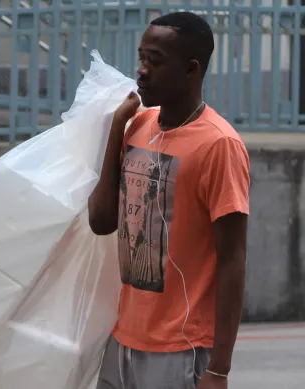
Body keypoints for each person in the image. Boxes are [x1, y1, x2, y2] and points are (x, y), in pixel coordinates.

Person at [89, 11, 249, 389]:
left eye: (155, 62)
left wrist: (220, 369)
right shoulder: (138, 125)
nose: (142, 70)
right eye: (142, 58)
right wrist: (116, 129)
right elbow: (101, 221)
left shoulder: (219, 145)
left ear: (192, 70)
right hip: (123, 338)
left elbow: (233, 259)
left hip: (181, 347)